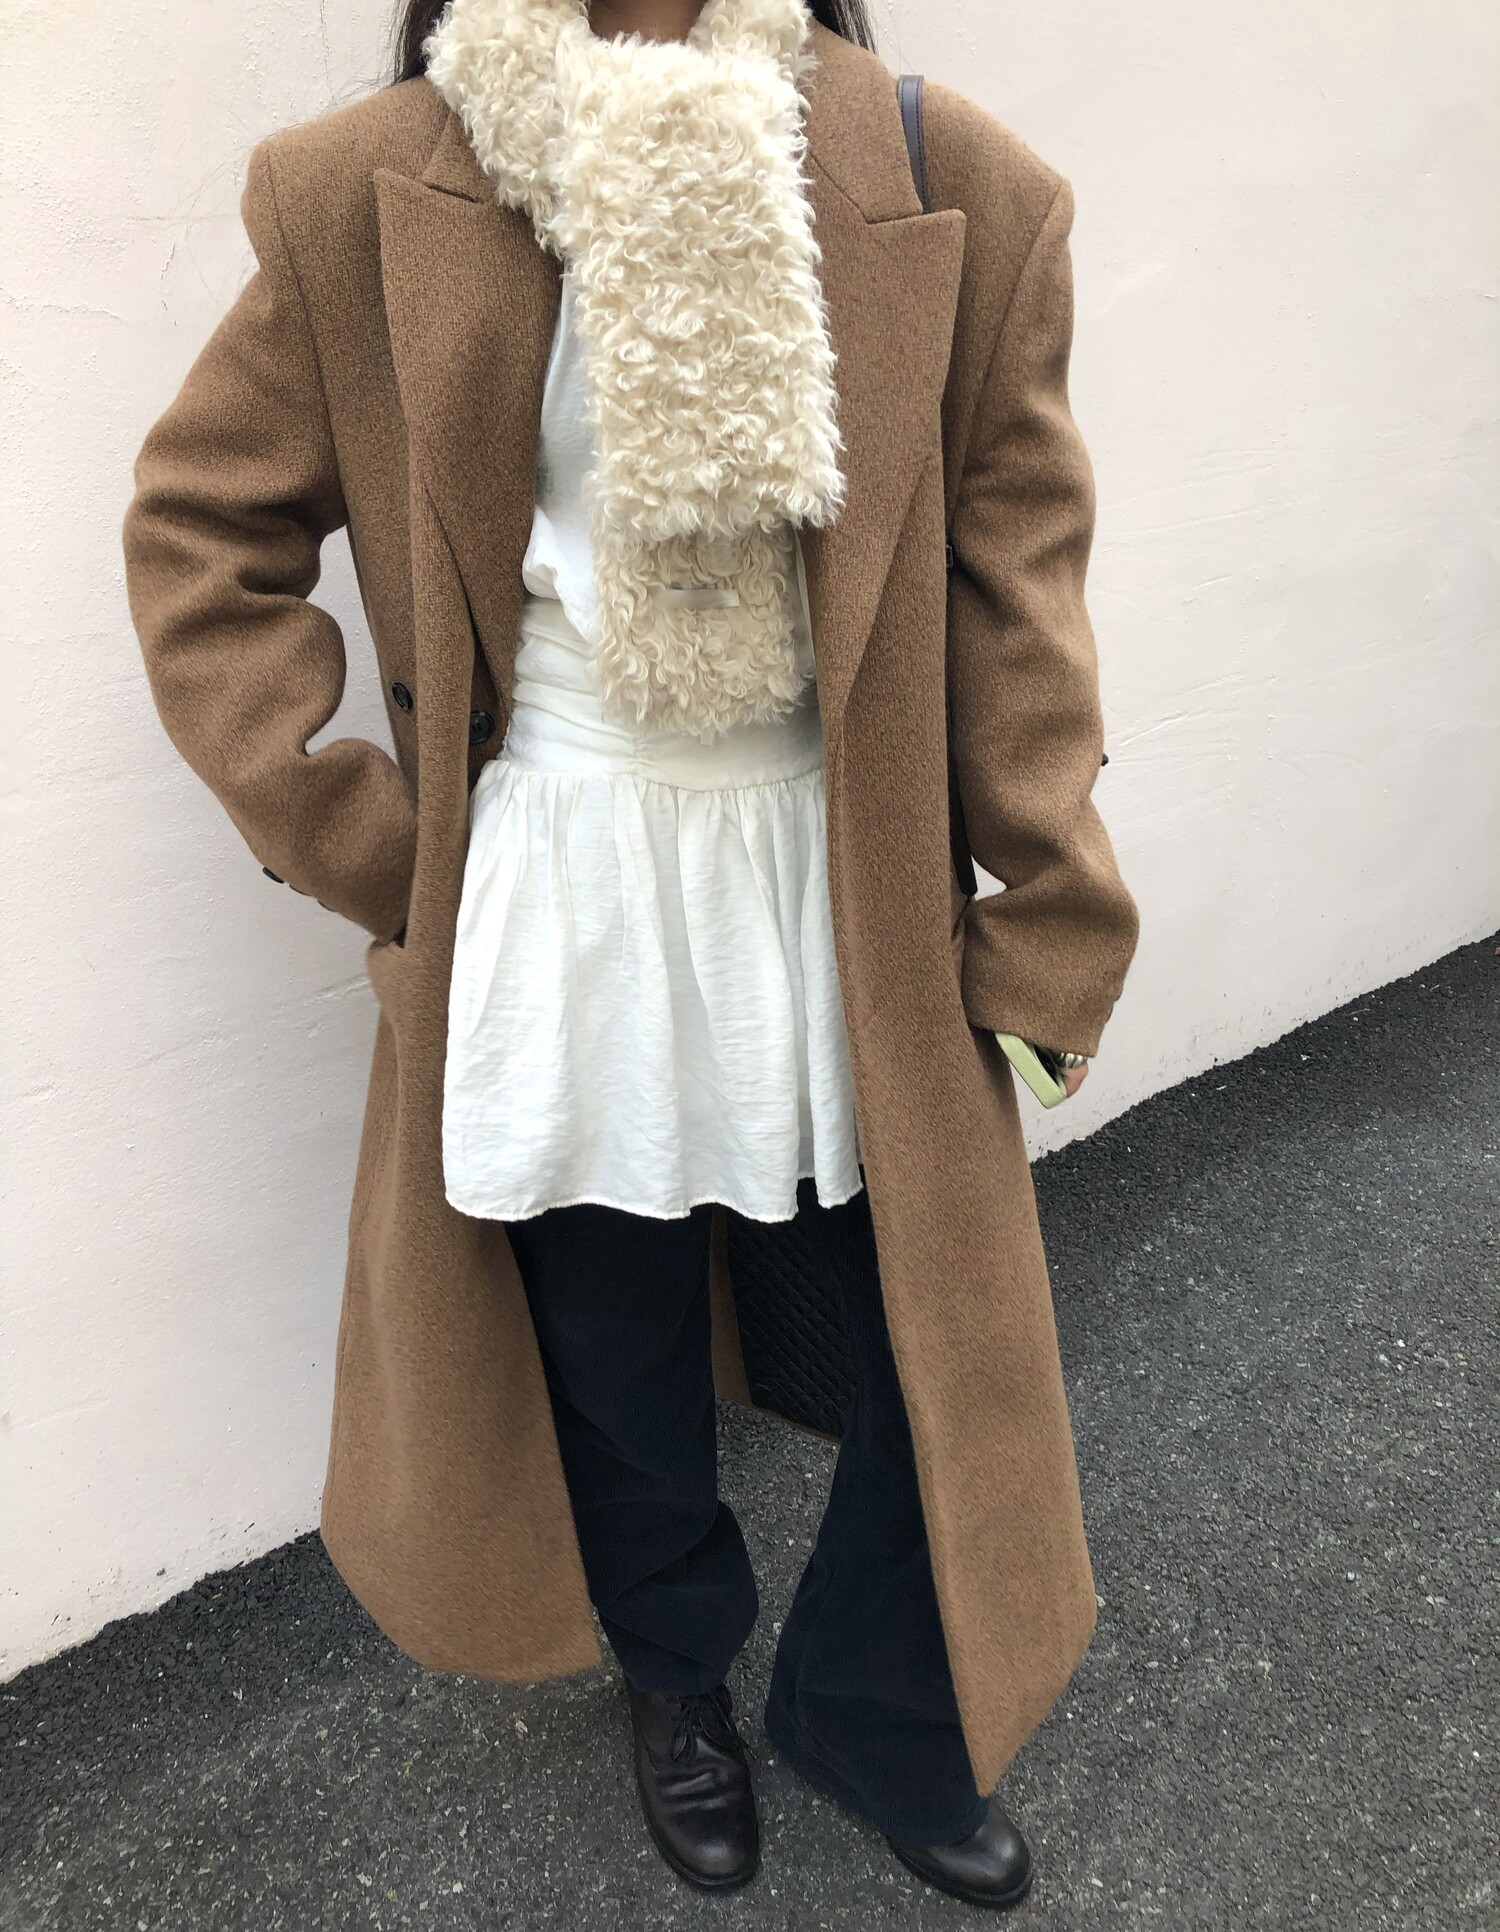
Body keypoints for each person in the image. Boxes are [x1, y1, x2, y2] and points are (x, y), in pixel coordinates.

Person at [123, 0, 1138, 1907]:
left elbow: (1022, 590)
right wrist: (371, 842)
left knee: (934, 1329)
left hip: (843, 872)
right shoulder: (365, 189)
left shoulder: (949, 176)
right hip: (559, 871)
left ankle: (878, 1705)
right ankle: (679, 1672)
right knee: (614, 1341)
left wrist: (1053, 900)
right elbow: (201, 537)